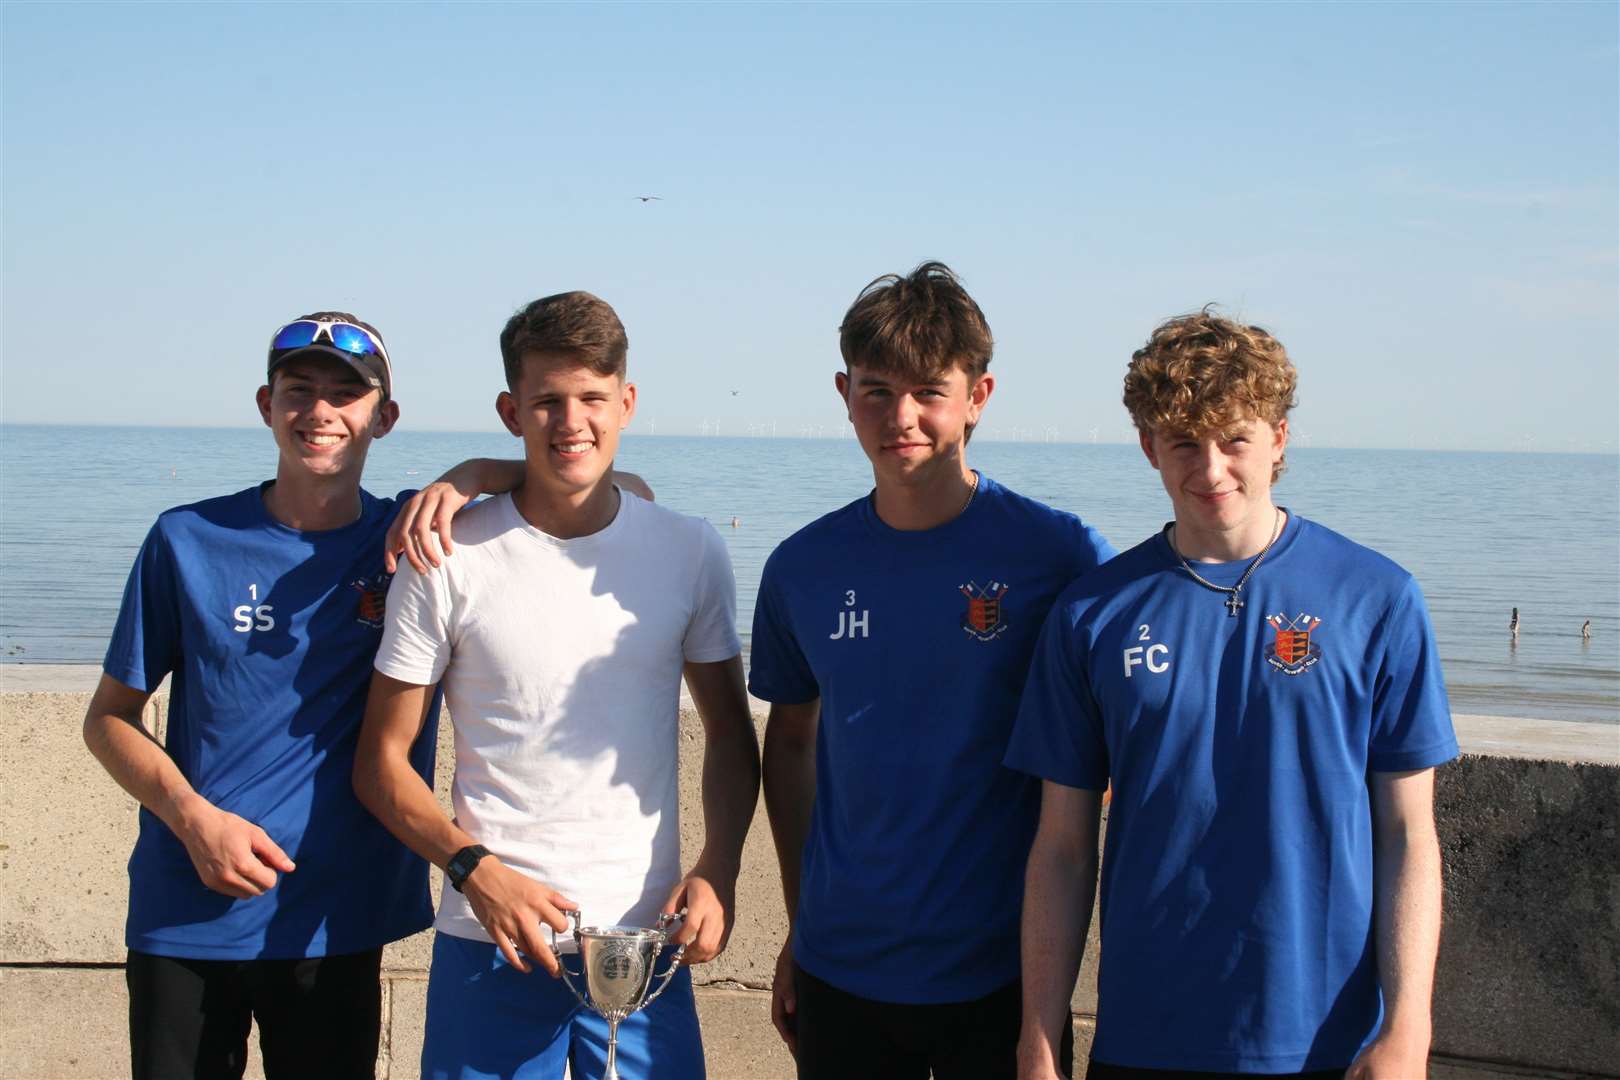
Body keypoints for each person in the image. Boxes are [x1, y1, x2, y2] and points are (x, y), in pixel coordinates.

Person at [1008, 310, 1458, 1080]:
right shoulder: (1092, 615)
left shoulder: (1376, 599)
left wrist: (1409, 1026)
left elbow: (1408, 834)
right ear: (1150, 446)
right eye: (1184, 442)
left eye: (1235, 440)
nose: (1211, 469)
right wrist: (1040, 1037)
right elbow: (1061, 848)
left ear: (1279, 439)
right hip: (1147, 1034)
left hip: (1328, 1038)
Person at [82, 312, 525, 1078]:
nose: (320, 411)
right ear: (266, 405)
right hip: (187, 908)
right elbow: (109, 721)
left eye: (346, 395)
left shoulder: (413, 539)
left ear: (382, 418)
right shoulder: (186, 538)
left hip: (334, 914)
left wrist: (474, 475)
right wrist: (192, 819)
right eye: (299, 391)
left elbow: (609, 487)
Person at [354, 290, 759, 1080]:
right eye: (546, 401)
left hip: (645, 946)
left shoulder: (689, 550)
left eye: (591, 399)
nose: (570, 421)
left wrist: (719, 869)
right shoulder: (449, 556)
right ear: (511, 410)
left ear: (627, 402)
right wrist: (476, 871)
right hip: (490, 943)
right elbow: (380, 765)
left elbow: (731, 739)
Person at [751, 262, 1115, 1079]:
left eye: (929, 392)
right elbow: (793, 745)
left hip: (1001, 974)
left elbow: (1117, 729)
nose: (901, 417)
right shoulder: (801, 567)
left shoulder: (1058, 553)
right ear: (844, 392)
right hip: (841, 966)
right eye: (876, 390)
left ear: (978, 396)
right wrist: (799, 928)